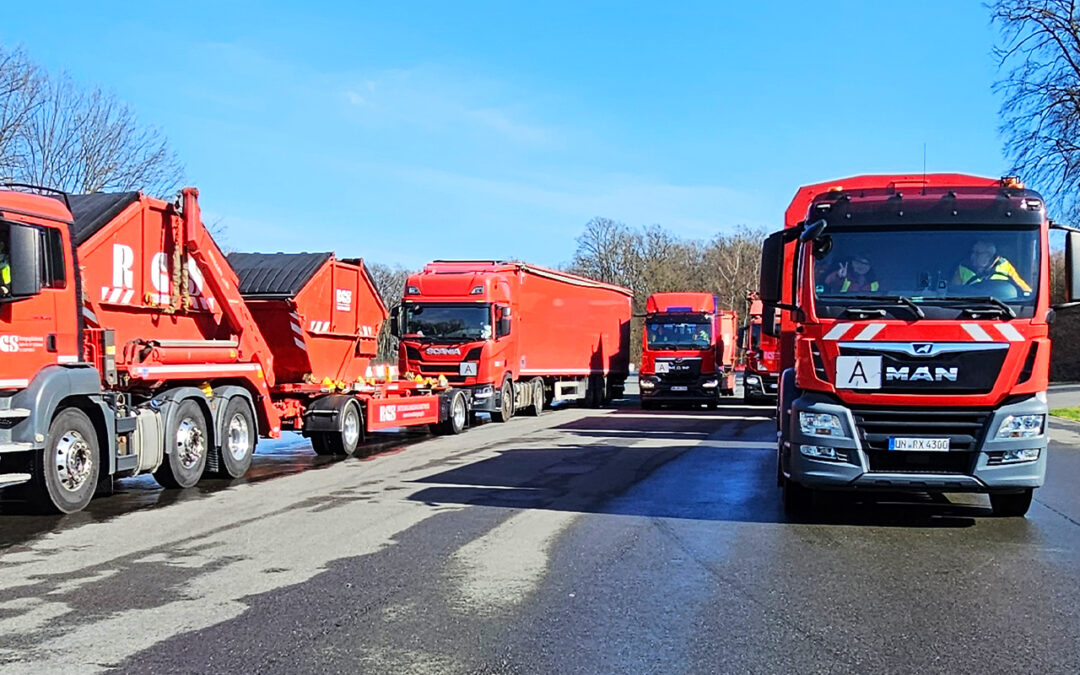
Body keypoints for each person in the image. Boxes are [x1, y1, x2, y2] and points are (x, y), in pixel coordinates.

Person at [952, 241, 1032, 292]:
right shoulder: (963, 268)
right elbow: (953, 292)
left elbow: (1024, 289)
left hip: (1002, 307)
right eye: (972, 252)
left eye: (977, 253)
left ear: (989, 255)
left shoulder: (1005, 266)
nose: (972, 256)